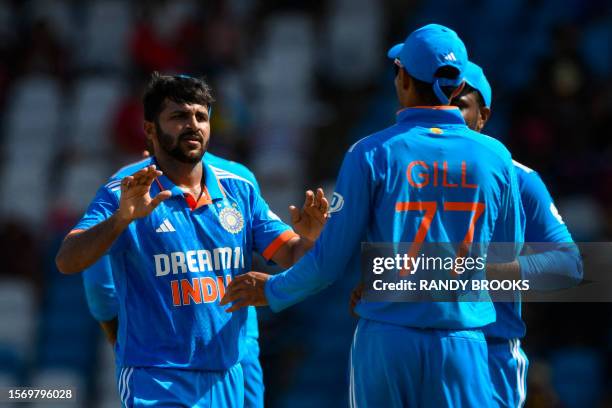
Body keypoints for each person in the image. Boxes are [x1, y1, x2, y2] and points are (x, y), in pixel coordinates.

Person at [221, 24, 525, 407]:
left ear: (402, 77)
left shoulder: (370, 153)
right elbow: (507, 268)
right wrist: (502, 353)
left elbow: (327, 264)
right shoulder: (496, 157)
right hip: (463, 344)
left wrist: (271, 289)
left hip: (388, 340)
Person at [56, 73, 328, 407]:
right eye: (179, 116)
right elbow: (68, 260)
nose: (193, 125)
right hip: (157, 377)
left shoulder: (239, 185)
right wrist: (122, 218)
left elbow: (293, 255)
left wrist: (312, 239)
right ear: (150, 130)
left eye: (201, 116)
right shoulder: (124, 192)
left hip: (227, 372)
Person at [82, 151, 277, 408]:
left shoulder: (124, 187)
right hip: (235, 348)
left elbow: (99, 284)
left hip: (166, 360)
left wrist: (114, 333)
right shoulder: (239, 176)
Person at [450, 62, 582, 408]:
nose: (446, 116)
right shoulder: (404, 175)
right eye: (439, 105)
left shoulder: (519, 179)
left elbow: (568, 265)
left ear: (484, 116)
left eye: (459, 105)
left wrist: (486, 272)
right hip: (414, 350)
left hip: (488, 356)